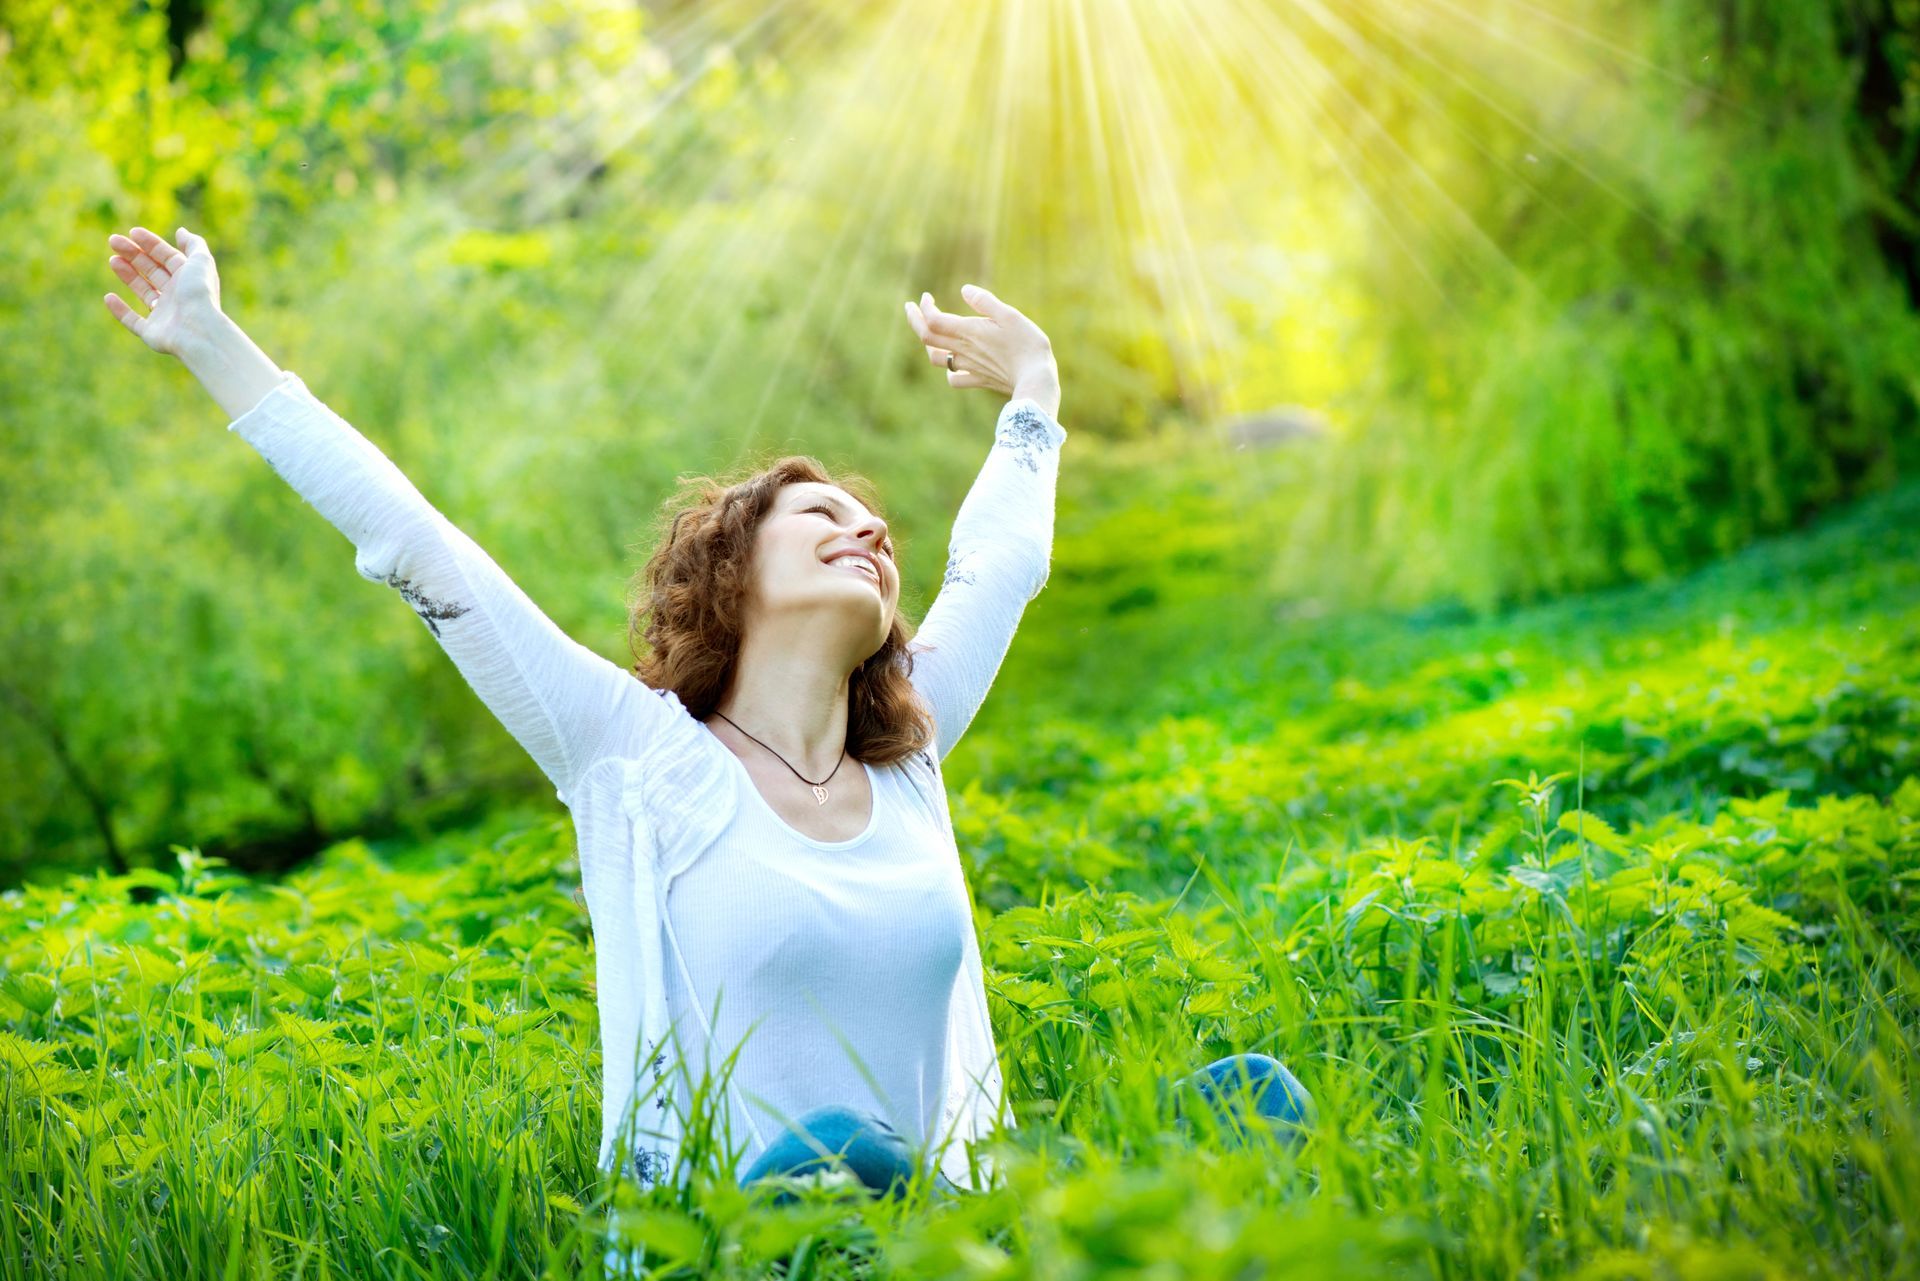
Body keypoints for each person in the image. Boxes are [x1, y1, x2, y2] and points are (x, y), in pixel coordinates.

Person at [102, 224, 1312, 1233]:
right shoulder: (633, 759)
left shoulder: (910, 762)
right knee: (833, 1156)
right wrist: (211, 340)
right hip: (739, 1242)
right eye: (824, 517)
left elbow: (1003, 563)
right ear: (732, 578)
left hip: (946, 1237)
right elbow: (422, 546)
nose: (872, 534)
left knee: (1250, 1100)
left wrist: (1035, 394)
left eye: (878, 529)